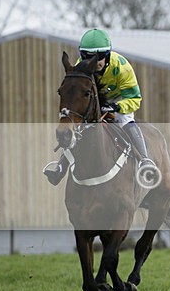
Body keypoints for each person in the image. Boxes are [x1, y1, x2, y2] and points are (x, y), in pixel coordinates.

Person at [44, 28, 157, 186]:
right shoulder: (80, 67)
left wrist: (116, 107)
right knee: (76, 126)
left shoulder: (123, 68)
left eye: (100, 57)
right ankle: (61, 166)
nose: (94, 62)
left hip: (118, 101)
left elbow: (135, 99)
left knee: (125, 119)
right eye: (88, 57)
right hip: (93, 100)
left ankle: (145, 161)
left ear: (108, 55)